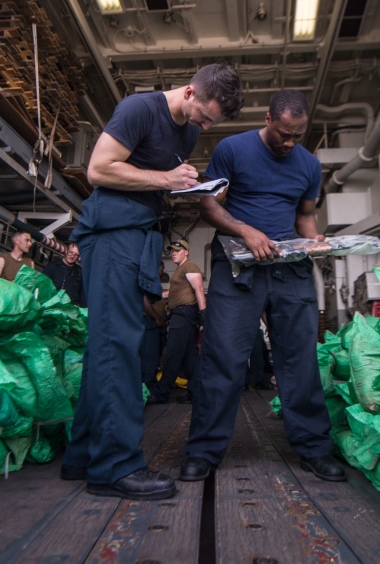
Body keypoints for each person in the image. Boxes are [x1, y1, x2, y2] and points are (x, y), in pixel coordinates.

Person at [59, 63, 243, 501]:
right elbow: (99, 170)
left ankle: (84, 455)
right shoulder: (138, 109)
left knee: (106, 343)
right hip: (111, 234)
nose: (205, 125)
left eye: (213, 123)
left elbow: (155, 180)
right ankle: (114, 467)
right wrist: (165, 179)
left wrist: (187, 186)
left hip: (140, 234)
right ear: (189, 89)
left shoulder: (188, 132)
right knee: (119, 345)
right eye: (204, 115)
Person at [180, 89, 346, 484]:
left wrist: (317, 241)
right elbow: (209, 205)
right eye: (283, 134)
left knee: (300, 360)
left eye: (297, 136)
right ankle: (203, 451)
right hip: (239, 268)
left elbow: (305, 216)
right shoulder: (232, 149)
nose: (289, 143)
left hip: (290, 269)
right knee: (223, 358)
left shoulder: (308, 165)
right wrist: (245, 231)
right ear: (268, 119)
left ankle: (313, 449)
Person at [146, 238, 205, 405]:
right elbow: (171, 294)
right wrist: (150, 293)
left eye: (177, 251)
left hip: (183, 316)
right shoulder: (180, 270)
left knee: (172, 354)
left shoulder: (189, 266)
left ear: (186, 252)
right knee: (190, 358)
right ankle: (196, 392)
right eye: (172, 251)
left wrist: (204, 313)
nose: (173, 254)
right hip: (184, 316)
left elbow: (199, 289)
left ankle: (162, 393)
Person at [42, 242, 86, 307]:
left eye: (76, 255)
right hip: (51, 306)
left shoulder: (80, 272)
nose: (72, 256)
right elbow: (42, 285)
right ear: (67, 250)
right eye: (71, 252)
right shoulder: (52, 266)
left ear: (78, 257)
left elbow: (83, 296)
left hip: (70, 310)